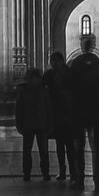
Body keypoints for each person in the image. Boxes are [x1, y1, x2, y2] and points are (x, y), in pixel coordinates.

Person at [67, 34, 99, 190]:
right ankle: (98, 181)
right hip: (94, 108)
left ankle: (80, 179)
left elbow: (69, 84)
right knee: (96, 145)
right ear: (93, 45)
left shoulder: (75, 63)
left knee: (79, 145)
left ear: (81, 46)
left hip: (79, 108)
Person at [14, 67, 53, 181]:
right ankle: (27, 173)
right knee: (28, 151)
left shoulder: (42, 92)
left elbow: (49, 108)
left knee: (43, 151)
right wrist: (19, 124)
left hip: (40, 124)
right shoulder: (26, 92)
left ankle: (45, 172)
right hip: (30, 125)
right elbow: (19, 109)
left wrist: (50, 123)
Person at [42, 52, 71, 182]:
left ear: (61, 61)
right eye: (51, 61)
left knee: (70, 145)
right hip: (55, 113)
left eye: (55, 61)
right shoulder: (48, 75)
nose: (53, 64)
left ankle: (73, 172)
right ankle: (62, 170)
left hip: (68, 113)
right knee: (60, 145)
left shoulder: (70, 73)